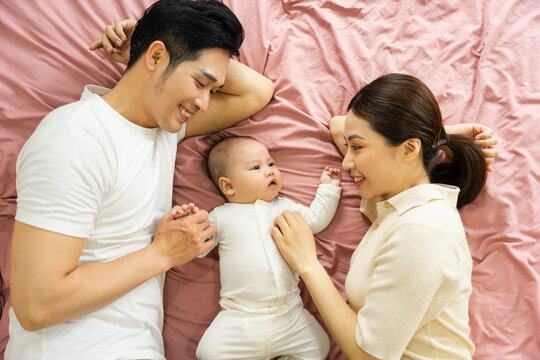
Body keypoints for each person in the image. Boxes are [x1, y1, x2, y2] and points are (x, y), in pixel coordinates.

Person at [7, 1, 274, 359]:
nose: (205, 103)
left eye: (213, 89)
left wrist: (141, 46)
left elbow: (256, 92)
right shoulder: (74, 139)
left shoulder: (163, 129)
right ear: (157, 58)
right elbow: (36, 306)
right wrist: (163, 253)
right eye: (200, 82)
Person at [271, 73, 496, 359]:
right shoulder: (395, 200)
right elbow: (340, 126)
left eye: (358, 147)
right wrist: (438, 136)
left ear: (408, 150)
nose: (346, 161)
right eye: (350, 147)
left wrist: (307, 264)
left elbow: (368, 356)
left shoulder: (421, 230)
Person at [193, 136, 342, 359]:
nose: (269, 171)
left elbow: (315, 221)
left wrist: (328, 189)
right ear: (228, 186)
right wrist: (192, 227)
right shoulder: (221, 217)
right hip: (240, 317)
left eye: (271, 163)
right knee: (209, 352)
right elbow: (200, 248)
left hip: (289, 313)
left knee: (318, 345)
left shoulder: (284, 206)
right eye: (256, 167)